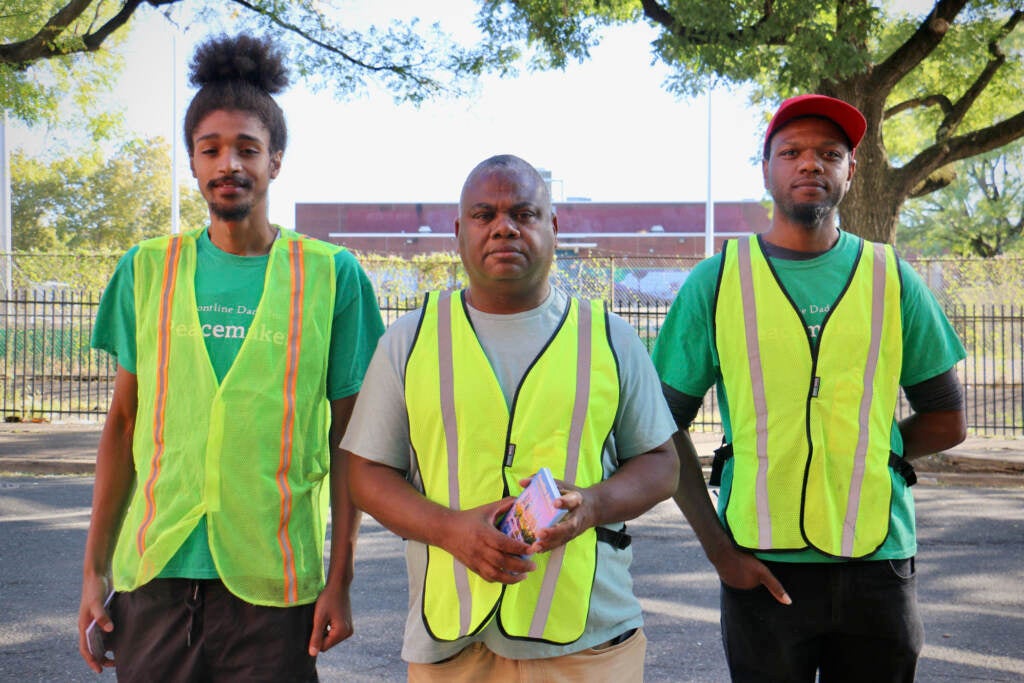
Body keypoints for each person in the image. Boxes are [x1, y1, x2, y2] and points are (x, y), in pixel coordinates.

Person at [77, 33, 385, 681]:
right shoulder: (146, 270)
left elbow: (350, 443)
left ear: (276, 160)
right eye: (210, 148)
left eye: (247, 147)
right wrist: (93, 568)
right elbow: (124, 425)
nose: (229, 164)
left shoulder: (332, 275)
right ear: (192, 162)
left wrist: (341, 577)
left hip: (274, 587)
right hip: (155, 577)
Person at [652, 94, 967, 682]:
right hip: (758, 563)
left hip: (879, 561)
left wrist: (872, 453)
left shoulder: (892, 278)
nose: (810, 164)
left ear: (852, 169)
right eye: (791, 151)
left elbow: (947, 418)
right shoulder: (718, 280)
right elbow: (659, 428)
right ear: (766, 168)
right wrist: (720, 551)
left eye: (830, 152)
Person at [344, 154, 679, 681]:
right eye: (484, 215)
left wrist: (592, 505)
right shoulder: (409, 340)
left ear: (553, 227)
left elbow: (662, 463)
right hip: (450, 641)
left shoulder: (611, 337)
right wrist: (451, 529)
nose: (504, 227)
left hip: (589, 641)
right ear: (459, 232)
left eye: (524, 213)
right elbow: (365, 473)